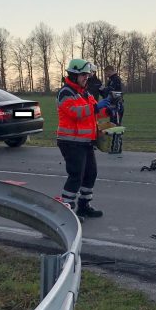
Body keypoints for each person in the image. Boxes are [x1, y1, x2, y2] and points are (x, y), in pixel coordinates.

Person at [56, 59, 107, 218]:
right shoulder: (65, 92)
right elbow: (75, 112)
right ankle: (67, 210)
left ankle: (84, 206)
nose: (87, 77)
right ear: (74, 74)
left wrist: (109, 109)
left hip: (85, 141)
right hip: (70, 141)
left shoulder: (85, 92)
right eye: (83, 74)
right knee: (76, 175)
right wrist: (96, 107)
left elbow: (95, 112)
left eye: (87, 74)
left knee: (91, 173)